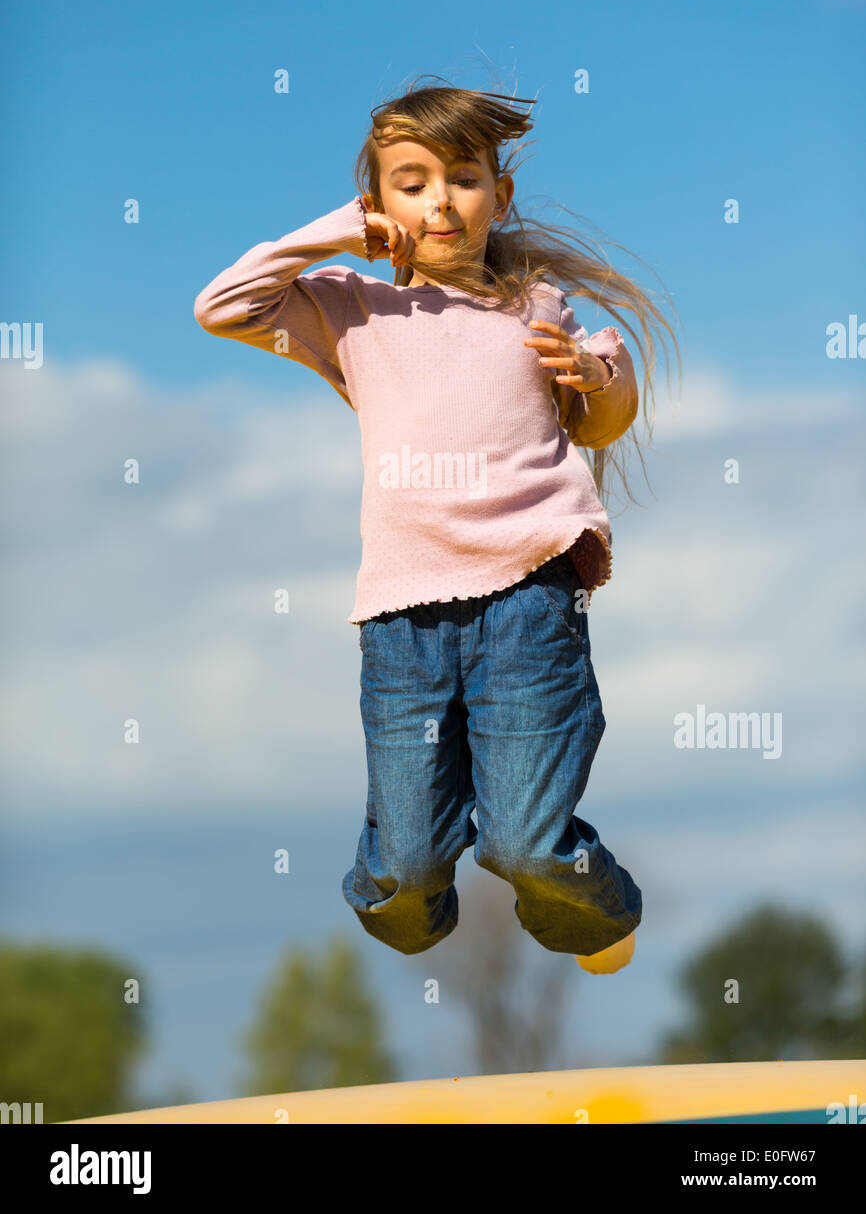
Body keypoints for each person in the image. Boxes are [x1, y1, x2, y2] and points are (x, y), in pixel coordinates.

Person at [194, 80, 680, 973]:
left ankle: (593, 914)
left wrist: (587, 372)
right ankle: (412, 916)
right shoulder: (349, 309)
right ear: (378, 204)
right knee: (409, 867)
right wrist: (330, 233)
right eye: (411, 182)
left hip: (528, 602)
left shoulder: (534, 309)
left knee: (528, 843)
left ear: (499, 194)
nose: (441, 200)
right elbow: (222, 306)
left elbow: (604, 417)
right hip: (404, 618)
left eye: (462, 177)